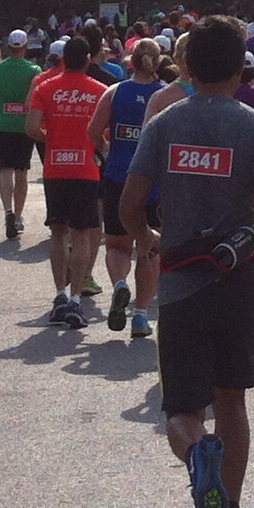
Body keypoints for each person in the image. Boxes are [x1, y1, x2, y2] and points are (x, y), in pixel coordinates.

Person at [122, 14, 254, 508]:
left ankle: (198, 454)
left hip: (179, 285)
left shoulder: (164, 124)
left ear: (188, 68)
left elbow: (129, 204)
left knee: (181, 411)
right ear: (242, 69)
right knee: (232, 399)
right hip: (239, 283)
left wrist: (147, 239)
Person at [26, 34, 112, 327]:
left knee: (58, 232)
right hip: (86, 170)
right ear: (88, 60)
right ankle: (77, 299)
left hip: (55, 168)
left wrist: (52, 139)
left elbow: (31, 128)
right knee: (82, 233)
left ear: (63, 59)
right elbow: (104, 135)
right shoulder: (100, 91)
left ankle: (60, 296)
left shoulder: (45, 87)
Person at [89, 39, 170, 338]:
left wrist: (107, 150)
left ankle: (120, 285)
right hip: (154, 181)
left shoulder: (115, 92)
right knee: (150, 247)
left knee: (117, 245)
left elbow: (93, 131)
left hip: (118, 177)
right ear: (157, 62)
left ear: (131, 61)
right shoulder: (166, 96)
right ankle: (140, 315)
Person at [0, 31, 42, 242]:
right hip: (24, 127)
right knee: (21, 172)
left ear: (8, 46)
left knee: (5, 170)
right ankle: (17, 216)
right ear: (26, 47)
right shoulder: (34, 70)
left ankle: (7, 210)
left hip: (2, 126)